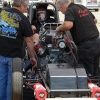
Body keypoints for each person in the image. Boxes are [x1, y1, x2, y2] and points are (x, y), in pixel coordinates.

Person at [0, 0, 37, 100]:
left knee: (1, 82)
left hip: (0, 54)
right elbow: (29, 41)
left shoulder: (1, 12)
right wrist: (32, 57)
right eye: (26, 7)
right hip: (14, 58)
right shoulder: (24, 19)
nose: (26, 9)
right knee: (12, 85)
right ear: (21, 6)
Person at [56, 0, 100, 77]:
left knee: (86, 73)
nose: (62, 13)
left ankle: (88, 87)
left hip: (86, 45)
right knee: (95, 70)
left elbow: (67, 25)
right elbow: (95, 20)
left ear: (61, 7)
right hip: (96, 41)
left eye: (60, 10)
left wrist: (59, 28)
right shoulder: (82, 7)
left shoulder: (70, 10)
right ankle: (96, 86)